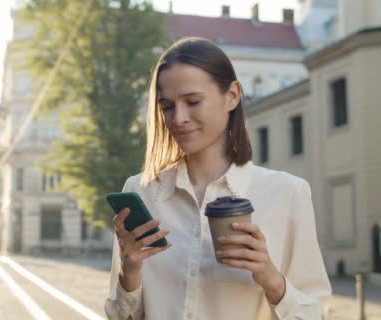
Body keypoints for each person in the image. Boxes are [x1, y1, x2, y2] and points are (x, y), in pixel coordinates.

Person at [104, 37, 331, 320]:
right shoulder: (141, 192)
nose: (178, 118)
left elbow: (316, 314)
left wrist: (271, 279)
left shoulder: (287, 193)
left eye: (193, 101)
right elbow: (120, 317)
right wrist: (130, 271)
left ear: (232, 95)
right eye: (167, 106)